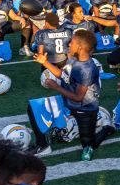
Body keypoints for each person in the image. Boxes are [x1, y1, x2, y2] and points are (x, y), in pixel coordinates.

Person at [36, 30, 113, 160]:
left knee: (88, 145)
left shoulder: (86, 69)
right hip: (68, 101)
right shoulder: (74, 59)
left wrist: (56, 87)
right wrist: (45, 62)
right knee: (34, 107)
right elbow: (62, 75)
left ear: (80, 47)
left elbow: (78, 97)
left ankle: (107, 128)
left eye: (72, 42)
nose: (69, 43)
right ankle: (41, 145)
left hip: (84, 108)